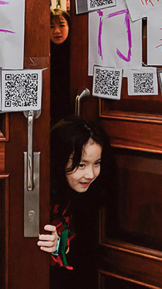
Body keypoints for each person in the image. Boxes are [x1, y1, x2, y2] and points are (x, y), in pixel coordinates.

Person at [37, 116, 112, 289]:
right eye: (81, 164)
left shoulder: (90, 192)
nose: (91, 174)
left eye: (97, 163)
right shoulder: (44, 196)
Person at [50, 9, 72, 124]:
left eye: (62, 25)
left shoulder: (75, 52)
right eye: (51, 26)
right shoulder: (43, 52)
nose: (57, 31)